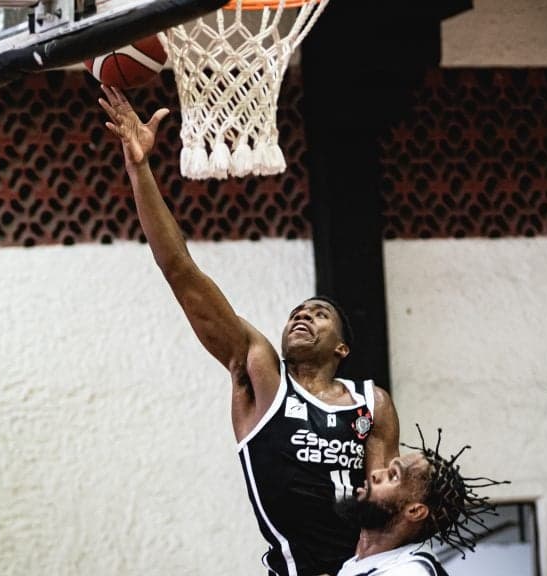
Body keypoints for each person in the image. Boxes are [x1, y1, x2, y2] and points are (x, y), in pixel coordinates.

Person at [98, 85, 400, 576]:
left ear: (342, 347)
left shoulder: (374, 404)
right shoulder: (260, 374)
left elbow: (387, 504)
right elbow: (181, 270)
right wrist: (140, 170)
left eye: (320, 313)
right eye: (297, 311)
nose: (303, 316)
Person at [335, 426, 508, 576]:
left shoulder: (410, 572)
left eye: (393, 476)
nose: (375, 474)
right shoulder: (367, 562)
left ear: (415, 511)